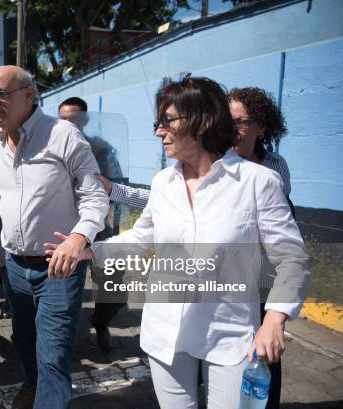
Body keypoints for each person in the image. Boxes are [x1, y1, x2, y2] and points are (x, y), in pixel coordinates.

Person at [45, 76, 310, 409]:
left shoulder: (258, 182)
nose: (158, 131)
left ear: (203, 120)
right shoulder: (163, 183)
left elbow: (292, 259)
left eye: (166, 121)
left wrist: (274, 320)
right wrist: (89, 250)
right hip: (165, 332)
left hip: (229, 334)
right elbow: (143, 236)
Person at [0, 66, 109, 409]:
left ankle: (47, 395)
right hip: (14, 266)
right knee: (24, 338)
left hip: (58, 265)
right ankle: (32, 382)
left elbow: (95, 194)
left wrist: (79, 237)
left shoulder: (63, 135)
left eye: (1, 94)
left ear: (29, 94)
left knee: (53, 351)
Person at [229, 86, 293, 409]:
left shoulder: (276, 166)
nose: (235, 129)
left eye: (243, 121)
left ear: (262, 127)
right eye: (229, 121)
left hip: (265, 280)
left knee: (266, 354)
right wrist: (115, 191)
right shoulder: (215, 165)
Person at [59, 96, 137, 352]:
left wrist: (114, 221)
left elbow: (114, 181)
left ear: (85, 119)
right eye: (63, 119)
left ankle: (100, 321)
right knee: (63, 291)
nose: (68, 124)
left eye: (74, 119)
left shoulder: (101, 148)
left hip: (100, 227)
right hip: (65, 231)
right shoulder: (49, 148)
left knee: (114, 290)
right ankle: (61, 341)